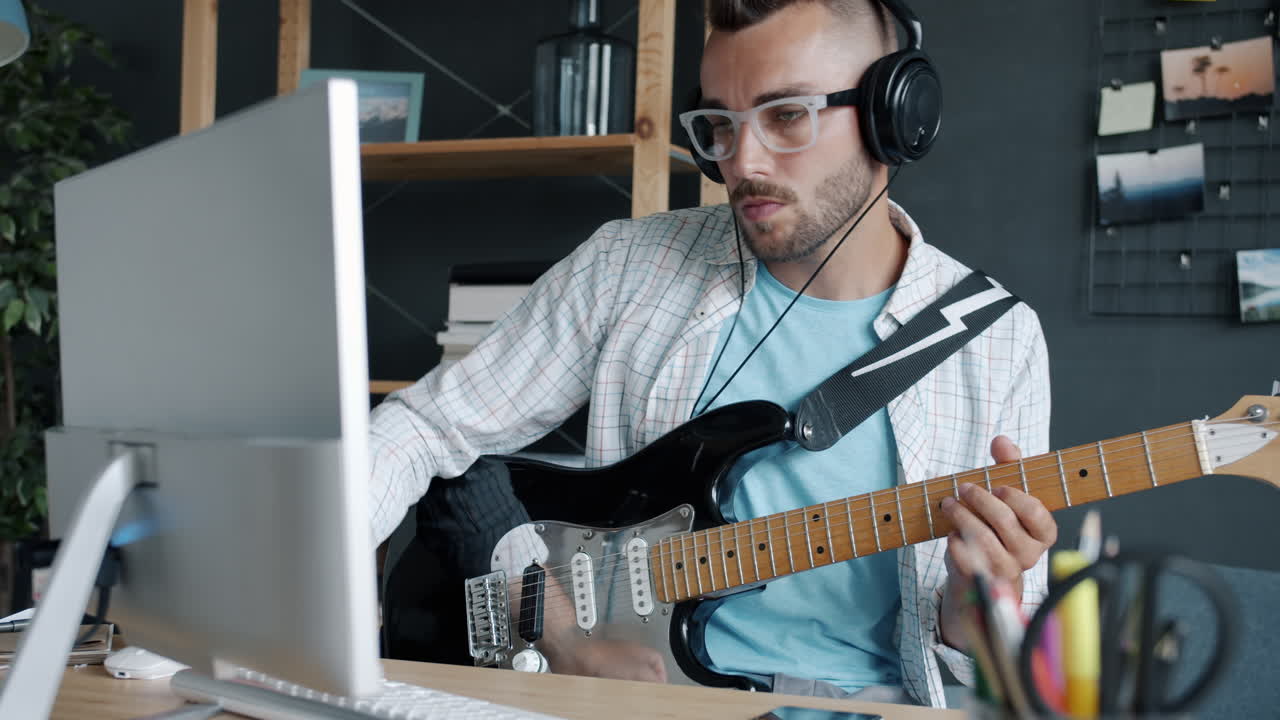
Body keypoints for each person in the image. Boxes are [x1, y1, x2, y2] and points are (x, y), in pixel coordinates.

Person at [367, 0, 1056, 708]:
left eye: (787, 115)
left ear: (893, 115)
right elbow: (427, 427)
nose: (742, 161)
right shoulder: (626, 267)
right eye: (720, 124)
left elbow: (992, 665)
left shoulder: (996, 338)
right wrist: (559, 635)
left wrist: (979, 602)